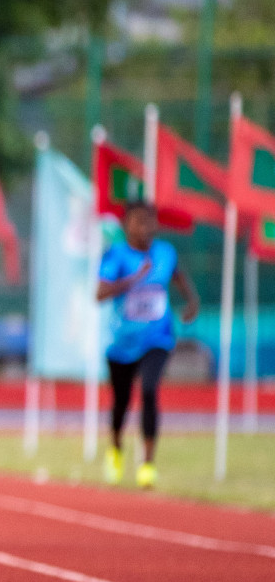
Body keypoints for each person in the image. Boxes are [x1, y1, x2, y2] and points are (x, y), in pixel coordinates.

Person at [95, 200, 199, 488]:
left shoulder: (165, 252)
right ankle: (116, 448)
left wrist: (191, 300)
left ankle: (147, 464)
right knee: (122, 402)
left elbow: (177, 275)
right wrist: (134, 278)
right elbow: (100, 294)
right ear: (126, 225)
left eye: (150, 221)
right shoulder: (115, 255)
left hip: (157, 337)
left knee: (150, 390)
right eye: (138, 221)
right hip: (121, 342)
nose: (145, 228)